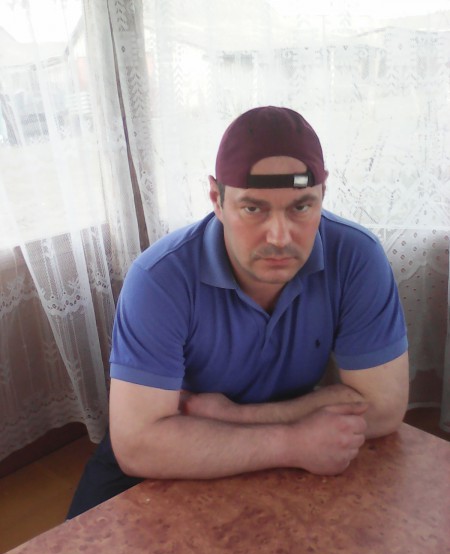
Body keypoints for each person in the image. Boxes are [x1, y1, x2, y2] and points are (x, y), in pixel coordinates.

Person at [67, 106, 409, 518]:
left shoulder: (356, 256)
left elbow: (384, 407)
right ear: (217, 199)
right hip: (178, 447)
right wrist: (290, 442)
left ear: (323, 195)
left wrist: (234, 416)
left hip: (252, 434)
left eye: (301, 207)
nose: (279, 237)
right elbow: (138, 445)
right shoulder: (158, 279)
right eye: (253, 208)